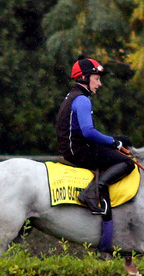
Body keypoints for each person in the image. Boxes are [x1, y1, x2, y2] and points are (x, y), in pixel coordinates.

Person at [55, 56, 135, 214]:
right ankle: (91, 194)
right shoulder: (83, 99)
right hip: (79, 151)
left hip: (74, 147)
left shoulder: (74, 95)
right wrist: (113, 143)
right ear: (84, 78)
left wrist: (116, 142)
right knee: (128, 163)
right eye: (97, 79)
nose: (99, 84)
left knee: (124, 140)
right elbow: (89, 132)